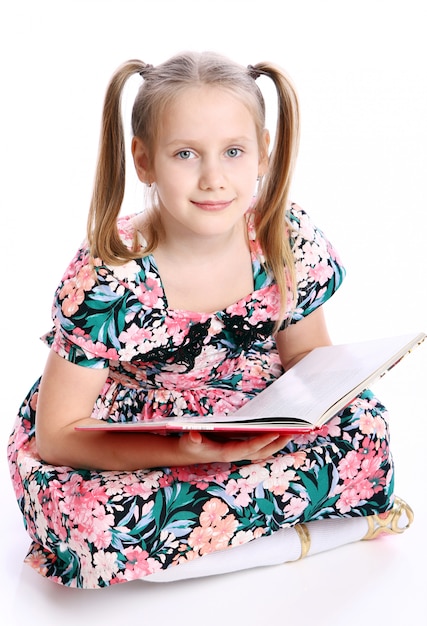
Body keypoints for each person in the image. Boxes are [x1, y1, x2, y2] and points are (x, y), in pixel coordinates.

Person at [7, 51, 413, 589]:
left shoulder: (280, 237)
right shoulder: (112, 273)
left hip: (252, 414)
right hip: (145, 435)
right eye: (185, 154)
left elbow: (307, 361)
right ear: (144, 160)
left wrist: (306, 408)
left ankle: (211, 548)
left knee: (368, 433)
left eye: (233, 151)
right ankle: (289, 535)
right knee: (96, 521)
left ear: (263, 153)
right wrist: (183, 450)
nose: (213, 178)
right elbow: (57, 436)